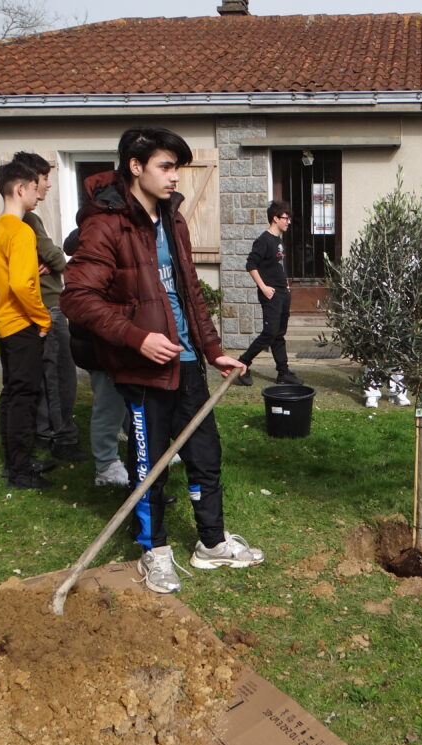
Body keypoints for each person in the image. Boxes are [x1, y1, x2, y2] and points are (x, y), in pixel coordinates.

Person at [61, 126, 262, 594]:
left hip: (188, 361)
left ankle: (211, 543)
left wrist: (213, 350)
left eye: (178, 168)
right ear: (135, 167)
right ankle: (156, 551)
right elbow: (78, 298)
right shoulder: (106, 224)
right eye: (165, 167)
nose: (175, 178)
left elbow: (189, 292)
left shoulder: (173, 218)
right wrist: (136, 338)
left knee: (205, 455)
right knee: (149, 464)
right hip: (142, 368)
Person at [11, 152, 88, 464]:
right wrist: (53, 257)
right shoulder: (29, 219)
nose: (48, 186)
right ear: (29, 182)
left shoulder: (17, 220)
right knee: (59, 376)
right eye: (44, 179)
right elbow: (55, 257)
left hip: (39, 304)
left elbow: (50, 256)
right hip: (48, 306)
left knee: (48, 374)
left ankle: (46, 432)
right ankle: (62, 438)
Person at [0, 159, 52, 490]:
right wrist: (43, 318)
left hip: (3, 324)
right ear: (20, 188)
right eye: (35, 189)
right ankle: (21, 471)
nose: (39, 195)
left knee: (12, 394)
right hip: (22, 326)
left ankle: (17, 461)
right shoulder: (22, 231)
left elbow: (10, 279)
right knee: (24, 397)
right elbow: (21, 286)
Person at [235, 201, 303, 387]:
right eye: (285, 218)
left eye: (289, 218)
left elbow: (278, 267)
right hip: (271, 294)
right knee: (269, 333)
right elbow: (251, 265)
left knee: (279, 334)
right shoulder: (263, 240)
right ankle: (242, 363)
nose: (288, 221)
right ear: (275, 218)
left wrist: (286, 285)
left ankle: (283, 373)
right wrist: (264, 288)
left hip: (282, 292)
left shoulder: (279, 241)